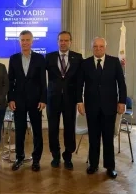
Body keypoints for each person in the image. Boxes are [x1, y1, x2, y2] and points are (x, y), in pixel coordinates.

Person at [76, 37, 127, 179]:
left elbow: (121, 84)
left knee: (108, 139)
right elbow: (79, 85)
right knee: (93, 138)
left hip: (109, 107)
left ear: (105, 47)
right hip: (91, 107)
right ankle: (93, 165)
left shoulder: (114, 62)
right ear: (92, 48)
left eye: (101, 46)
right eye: (95, 47)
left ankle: (110, 167)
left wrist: (122, 101)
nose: (98, 49)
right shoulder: (85, 63)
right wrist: (79, 102)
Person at [8, 30, 47, 172]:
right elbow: (10, 81)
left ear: (32, 41)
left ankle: (36, 160)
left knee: (37, 131)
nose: (25, 42)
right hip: (18, 101)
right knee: (19, 131)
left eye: (27, 40)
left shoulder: (40, 58)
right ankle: (19, 158)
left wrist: (43, 99)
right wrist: (10, 99)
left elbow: (43, 81)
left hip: (36, 101)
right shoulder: (13, 59)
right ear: (19, 42)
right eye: (22, 40)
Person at [45, 31, 83, 170]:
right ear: (57, 42)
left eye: (66, 40)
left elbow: (80, 82)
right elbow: (41, 79)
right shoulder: (49, 57)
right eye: (61, 40)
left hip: (70, 100)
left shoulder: (78, 58)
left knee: (69, 128)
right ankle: (55, 156)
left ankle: (68, 156)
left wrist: (79, 100)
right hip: (52, 99)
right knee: (52, 129)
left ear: (70, 42)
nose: (63, 43)